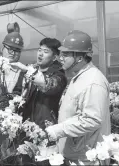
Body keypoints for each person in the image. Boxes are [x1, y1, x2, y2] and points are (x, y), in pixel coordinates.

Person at [45, 30, 111, 165]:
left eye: (66, 54)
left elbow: (92, 119)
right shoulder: (80, 77)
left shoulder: (93, 82)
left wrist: (58, 130)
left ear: (80, 58)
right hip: (76, 153)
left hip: (86, 158)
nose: (60, 58)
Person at [11, 37, 68, 129]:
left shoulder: (59, 75)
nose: (40, 54)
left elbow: (48, 86)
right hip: (23, 125)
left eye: (46, 51)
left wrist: (28, 72)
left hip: (44, 128)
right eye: (39, 50)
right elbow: (17, 92)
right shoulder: (29, 69)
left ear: (54, 57)